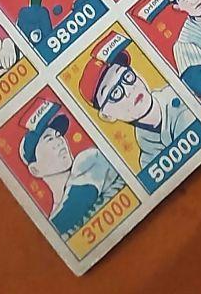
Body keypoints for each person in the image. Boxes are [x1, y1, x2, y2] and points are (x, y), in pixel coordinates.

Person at [78, 35, 195, 169]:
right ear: (107, 116)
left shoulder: (186, 90)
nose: (129, 90)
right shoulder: (148, 160)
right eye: (115, 93)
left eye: (127, 76)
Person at [19, 100, 124, 237]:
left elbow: (78, 201)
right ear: (35, 170)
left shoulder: (90, 159)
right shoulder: (54, 219)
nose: (60, 141)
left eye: (58, 135)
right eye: (49, 139)